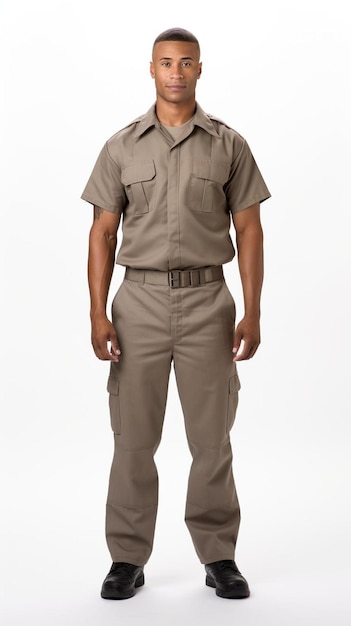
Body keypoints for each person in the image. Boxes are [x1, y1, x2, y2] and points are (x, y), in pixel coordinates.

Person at [81, 27, 271, 600]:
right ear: (151, 69)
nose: (176, 72)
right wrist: (97, 313)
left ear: (200, 69)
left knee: (212, 440)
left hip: (209, 301)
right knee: (133, 438)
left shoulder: (228, 144)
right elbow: (102, 232)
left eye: (186, 62)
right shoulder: (121, 146)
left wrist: (253, 311)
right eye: (166, 62)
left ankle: (219, 556)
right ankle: (126, 558)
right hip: (136, 302)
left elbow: (250, 229)